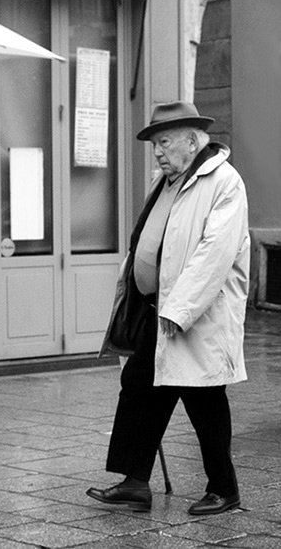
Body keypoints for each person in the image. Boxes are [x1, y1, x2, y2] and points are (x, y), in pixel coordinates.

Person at [86, 101, 249, 516]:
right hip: (155, 312)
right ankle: (135, 483)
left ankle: (224, 489)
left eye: (163, 142)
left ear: (192, 141)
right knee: (140, 388)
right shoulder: (167, 181)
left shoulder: (223, 182)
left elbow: (215, 253)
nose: (156, 152)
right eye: (155, 144)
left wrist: (180, 310)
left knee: (205, 400)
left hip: (195, 316)